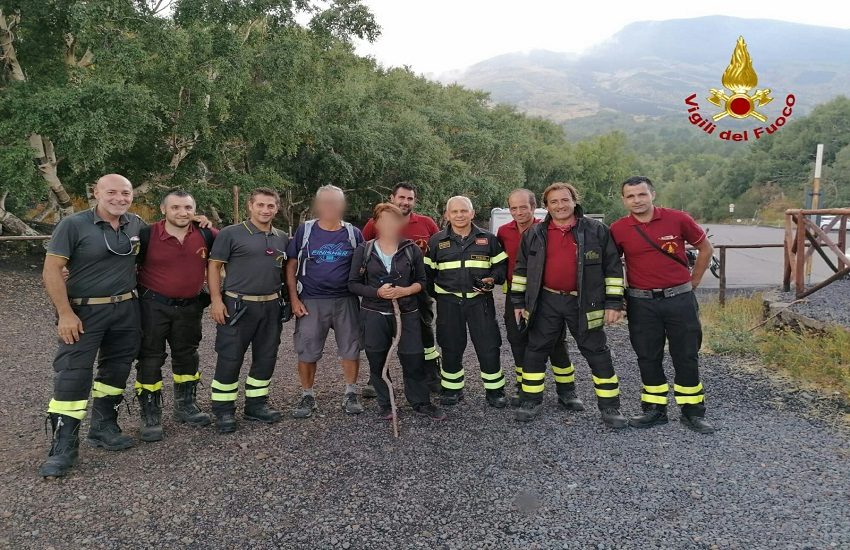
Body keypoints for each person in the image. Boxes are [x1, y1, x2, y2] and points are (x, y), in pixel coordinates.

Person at [39, 174, 146, 477]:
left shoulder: (135, 224)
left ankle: (104, 427)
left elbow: (167, 235)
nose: (119, 198)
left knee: (116, 369)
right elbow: (52, 270)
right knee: (73, 374)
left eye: (126, 193)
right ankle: (63, 445)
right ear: (96, 193)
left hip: (126, 309)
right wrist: (65, 313)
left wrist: (200, 222)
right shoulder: (73, 225)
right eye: (111, 192)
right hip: (84, 312)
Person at [511, 182, 627, 427]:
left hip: (585, 302)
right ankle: (531, 400)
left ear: (574, 201)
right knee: (536, 350)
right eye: (554, 202)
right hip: (546, 300)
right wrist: (518, 301)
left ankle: (610, 408)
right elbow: (521, 270)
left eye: (565, 200)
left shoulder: (597, 231)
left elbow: (613, 269)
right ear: (546, 206)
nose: (560, 206)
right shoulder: (534, 234)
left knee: (596, 352)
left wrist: (614, 303)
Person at [610, 176, 715, 434]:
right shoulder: (618, 229)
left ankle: (692, 412)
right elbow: (611, 265)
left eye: (641, 194)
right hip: (641, 303)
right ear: (624, 200)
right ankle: (655, 410)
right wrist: (615, 299)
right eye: (630, 196)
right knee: (647, 357)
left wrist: (694, 281)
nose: (637, 200)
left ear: (652, 195)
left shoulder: (678, 218)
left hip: (679, 300)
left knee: (686, 355)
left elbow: (706, 249)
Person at [349, 203, 446, 420]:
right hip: (374, 313)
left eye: (394, 220)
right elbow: (353, 284)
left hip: (407, 312)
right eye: (384, 220)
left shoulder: (411, 249)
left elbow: (422, 281)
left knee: (413, 358)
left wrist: (406, 290)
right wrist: (377, 292)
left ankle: (420, 402)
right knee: (378, 360)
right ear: (376, 223)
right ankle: (386, 403)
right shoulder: (364, 250)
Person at [134, 189, 217, 442]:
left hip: (190, 307)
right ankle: (150, 412)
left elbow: (233, 252)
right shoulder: (146, 235)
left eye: (188, 208)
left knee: (187, 356)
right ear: (163, 210)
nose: (182, 213)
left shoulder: (206, 234)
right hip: (152, 306)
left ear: (195, 210)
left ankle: (186, 405)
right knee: (150, 358)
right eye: (176, 208)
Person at [208, 187, 289, 433]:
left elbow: (285, 271)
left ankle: (256, 405)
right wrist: (216, 300)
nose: (265, 210)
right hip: (238, 305)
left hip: (271, 305)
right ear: (250, 206)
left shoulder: (282, 237)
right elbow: (213, 267)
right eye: (260, 205)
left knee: (266, 356)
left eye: (270, 206)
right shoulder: (230, 233)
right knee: (230, 357)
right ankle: (223, 410)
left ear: (277, 208)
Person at [497, 189, 583, 411]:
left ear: (534, 207)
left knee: (554, 342)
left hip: (543, 296)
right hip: (515, 295)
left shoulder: (544, 229)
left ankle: (567, 391)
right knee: (517, 340)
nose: (518, 212)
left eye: (523, 207)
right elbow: (499, 264)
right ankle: (524, 385)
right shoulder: (503, 232)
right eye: (513, 208)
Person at [286, 185, 365, 418]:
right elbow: (291, 265)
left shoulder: (353, 233)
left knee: (351, 348)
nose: (331, 207)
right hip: (311, 300)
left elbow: (365, 263)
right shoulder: (305, 231)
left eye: (335, 202)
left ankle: (351, 392)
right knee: (307, 350)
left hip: (346, 300)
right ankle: (307, 395)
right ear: (318, 205)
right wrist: (293, 298)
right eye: (326, 202)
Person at [425, 196, 509, 408]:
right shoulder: (436, 241)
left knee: (489, 346)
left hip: (480, 302)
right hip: (449, 304)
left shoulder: (488, 239)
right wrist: (442, 296)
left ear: (472, 213)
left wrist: (493, 279)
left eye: (464, 211)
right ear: (447, 215)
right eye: (455, 212)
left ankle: (495, 391)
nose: (459, 215)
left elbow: (501, 268)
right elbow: (427, 275)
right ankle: (452, 389)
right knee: (451, 346)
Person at [362, 182, 442, 393]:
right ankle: (377, 379)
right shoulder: (374, 223)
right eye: (402, 198)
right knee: (380, 337)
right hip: (383, 293)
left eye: (410, 198)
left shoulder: (427, 223)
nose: (405, 202)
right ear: (392, 198)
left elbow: (440, 251)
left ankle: (429, 373)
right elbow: (365, 253)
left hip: (419, 290)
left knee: (424, 334)